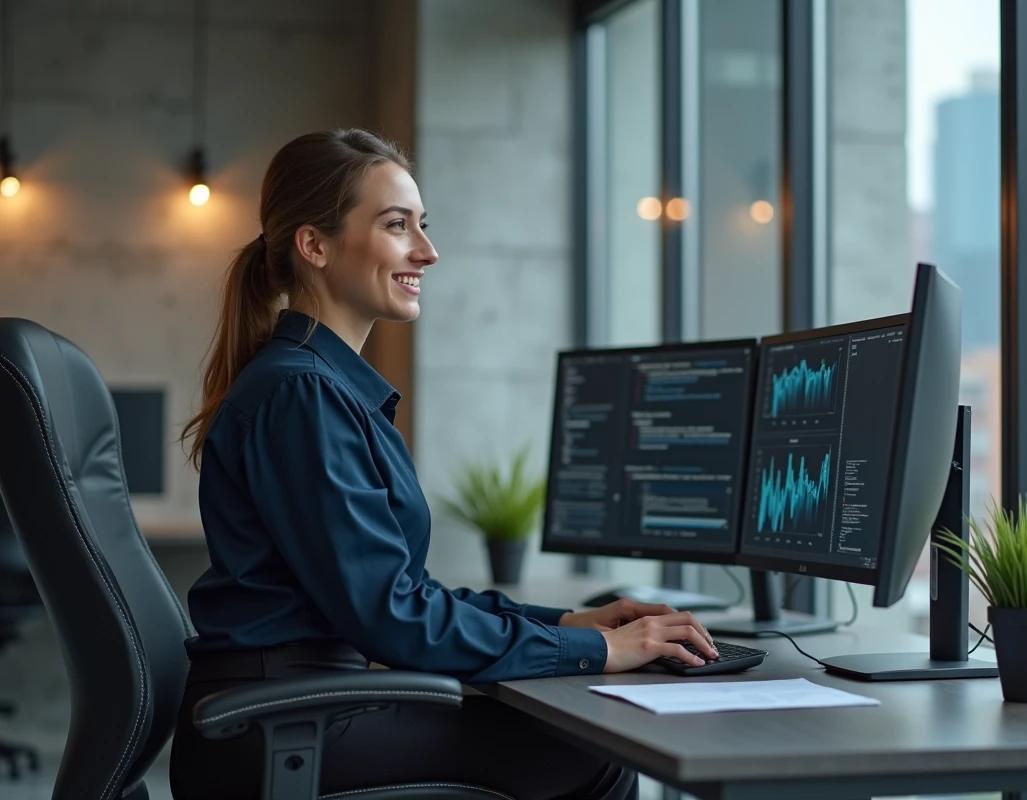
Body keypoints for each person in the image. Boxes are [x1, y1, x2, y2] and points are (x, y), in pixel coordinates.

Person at [169, 128, 720, 800]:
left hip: (296, 706)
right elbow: (393, 617)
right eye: (397, 226)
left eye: (423, 226)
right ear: (313, 245)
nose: (427, 252)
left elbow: (402, 595)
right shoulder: (301, 393)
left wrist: (566, 625)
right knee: (590, 754)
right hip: (283, 725)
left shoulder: (316, 387)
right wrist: (600, 652)